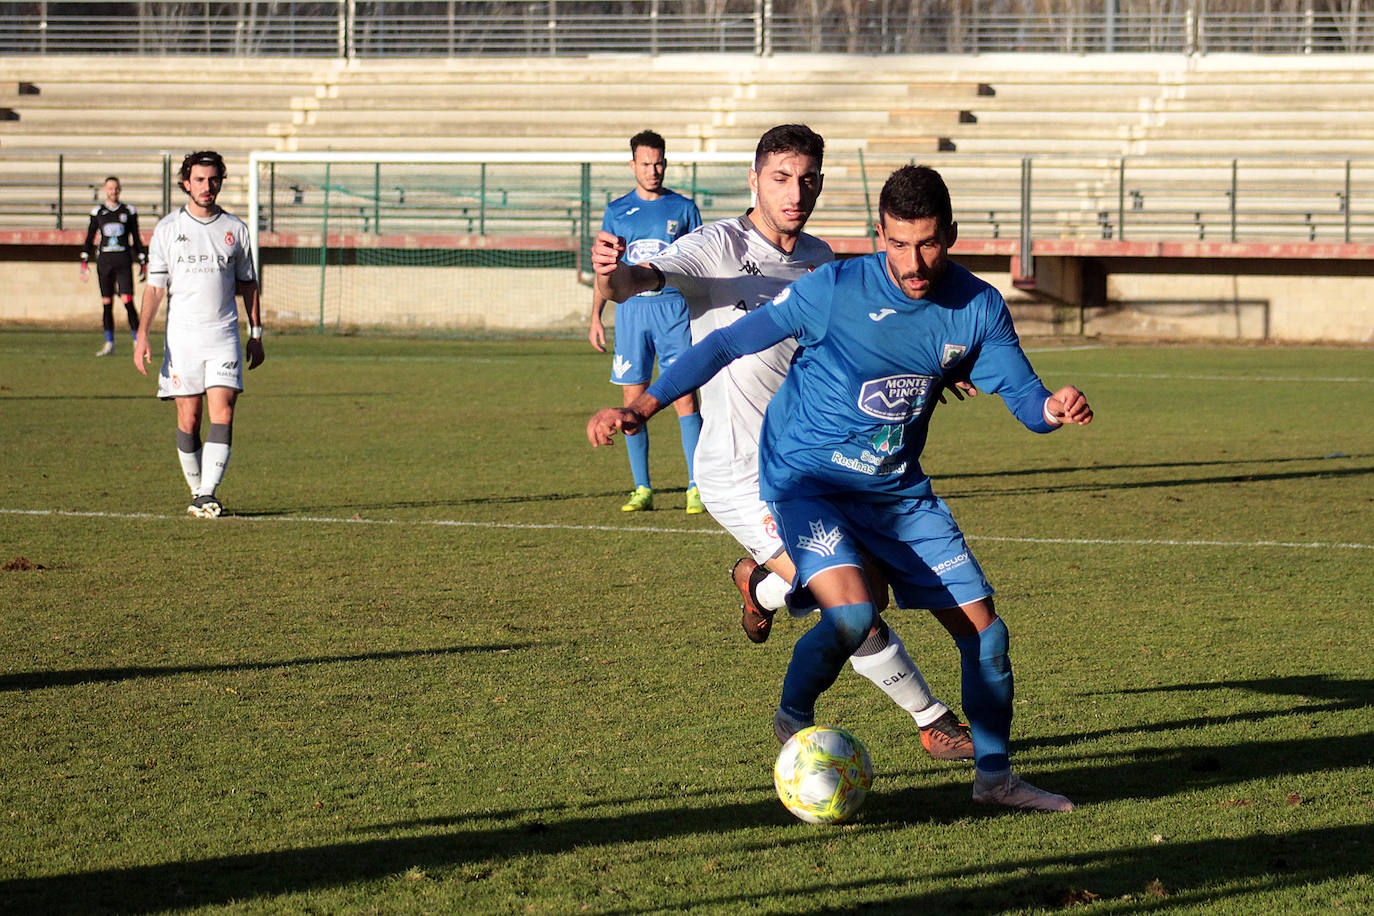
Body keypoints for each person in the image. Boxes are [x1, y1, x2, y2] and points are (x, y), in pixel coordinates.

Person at [588, 164, 1094, 811]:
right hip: (807, 481)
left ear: (953, 236)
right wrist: (643, 407)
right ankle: (793, 716)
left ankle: (995, 780)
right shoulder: (833, 287)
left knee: (986, 636)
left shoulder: (976, 307)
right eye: (900, 243)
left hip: (897, 493)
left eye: (930, 243)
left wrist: (1053, 407)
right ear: (880, 234)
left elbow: (1024, 397)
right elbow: (727, 346)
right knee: (855, 613)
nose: (914, 261)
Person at [592, 126, 974, 762]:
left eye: (807, 180)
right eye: (780, 178)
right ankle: (930, 718)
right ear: (754, 180)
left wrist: (942, 363)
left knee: (867, 589)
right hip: (739, 468)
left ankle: (759, 587)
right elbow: (635, 282)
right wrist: (611, 277)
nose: (795, 192)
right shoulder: (715, 245)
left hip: (815, 467)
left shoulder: (824, 263)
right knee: (849, 602)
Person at [132, 151, 264, 519]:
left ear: (220, 181)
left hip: (223, 335)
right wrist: (142, 335)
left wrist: (256, 332)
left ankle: (207, 491)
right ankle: (197, 491)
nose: (207, 187)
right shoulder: (168, 229)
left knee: (224, 409)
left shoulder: (236, 230)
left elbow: (248, 284)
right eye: (200, 180)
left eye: (213, 180)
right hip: (182, 339)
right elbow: (155, 288)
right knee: (189, 418)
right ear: (186, 183)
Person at [589, 131, 705, 514]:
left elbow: (702, 265)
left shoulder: (684, 208)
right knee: (631, 403)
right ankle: (642, 488)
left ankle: (695, 486)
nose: (653, 170)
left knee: (685, 397)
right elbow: (605, 268)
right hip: (632, 314)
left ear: (665, 163)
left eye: (659, 163)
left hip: (673, 311)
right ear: (632, 165)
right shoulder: (617, 210)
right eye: (645, 163)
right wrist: (596, 316)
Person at [81, 176, 147, 356]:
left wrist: (142, 259)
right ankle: (109, 343)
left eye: (116, 188)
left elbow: (136, 237)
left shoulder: (128, 211)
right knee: (107, 303)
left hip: (123, 261)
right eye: (110, 188)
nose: (113, 191)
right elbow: (90, 237)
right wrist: (84, 258)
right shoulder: (98, 212)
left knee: (127, 301)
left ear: (120, 189)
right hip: (105, 263)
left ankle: (137, 341)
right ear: (105, 190)